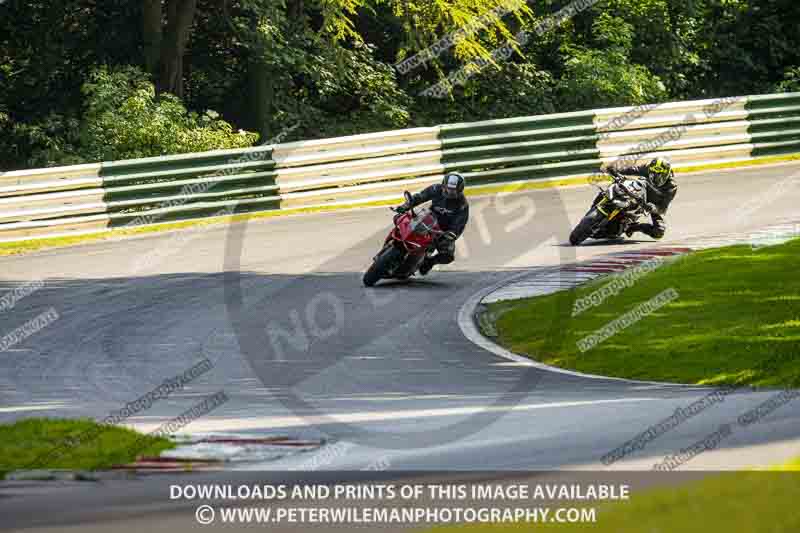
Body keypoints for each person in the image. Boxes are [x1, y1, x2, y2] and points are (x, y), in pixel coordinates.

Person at [395, 172, 470, 275]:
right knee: (400, 219)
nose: (449, 192)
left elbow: (460, 224)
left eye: (453, 190)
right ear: (443, 185)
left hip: (443, 231)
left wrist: (452, 234)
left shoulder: (462, 204)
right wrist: (405, 206)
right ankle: (394, 241)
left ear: (460, 190)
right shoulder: (436, 189)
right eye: (448, 188)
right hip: (428, 218)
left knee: (448, 255)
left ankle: (430, 262)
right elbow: (420, 196)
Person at [605, 157, 678, 239]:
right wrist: (615, 170)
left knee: (659, 232)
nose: (656, 178)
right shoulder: (647, 168)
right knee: (617, 186)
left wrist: (653, 208)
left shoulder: (671, 187)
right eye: (653, 174)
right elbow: (633, 169)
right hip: (639, 193)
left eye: (660, 175)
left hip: (653, 204)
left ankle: (632, 227)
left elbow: (663, 208)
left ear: (667, 174)